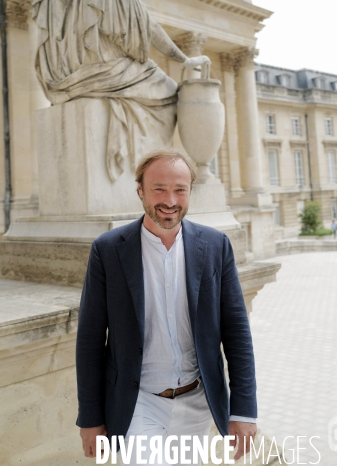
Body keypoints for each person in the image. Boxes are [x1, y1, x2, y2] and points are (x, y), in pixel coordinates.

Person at [76, 148, 257, 464]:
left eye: (180, 190)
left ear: (190, 192)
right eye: (159, 188)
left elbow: (237, 332)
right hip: (139, 404)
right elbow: (90, 340)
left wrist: (244, 409)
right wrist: (90, 418)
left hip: (198, 402)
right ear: (140, 190)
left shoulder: (216, 246)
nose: (170, 200)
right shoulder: (107, 251)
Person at [32, 0, 209, 181]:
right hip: (105, 72)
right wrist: (184, 59)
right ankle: (167, 174)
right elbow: (146, 26)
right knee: (171, 91)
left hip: (62, 80)